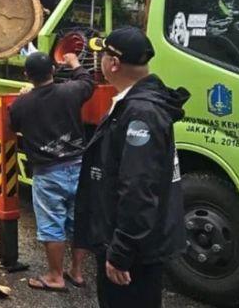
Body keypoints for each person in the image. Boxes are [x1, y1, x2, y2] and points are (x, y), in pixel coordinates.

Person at [75, 27, 190, 308]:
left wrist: (121, 251)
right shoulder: (136, 105)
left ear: (113, 63)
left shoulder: (141, 113)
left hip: (135, 250)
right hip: (135, 242)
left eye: (102, 55)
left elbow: (138, 187)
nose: (99, 61)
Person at [8, 51, 95, 293]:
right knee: (79, 222)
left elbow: (13, 125)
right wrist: (75, 63)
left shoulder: (21, 105)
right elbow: (88, 82)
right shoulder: (71, 91)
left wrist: (22, 98)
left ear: (27, 75)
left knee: (51, 224)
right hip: (79, 167)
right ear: (53, 72)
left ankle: (56, 276)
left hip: (48, 173)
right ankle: (76, 272)